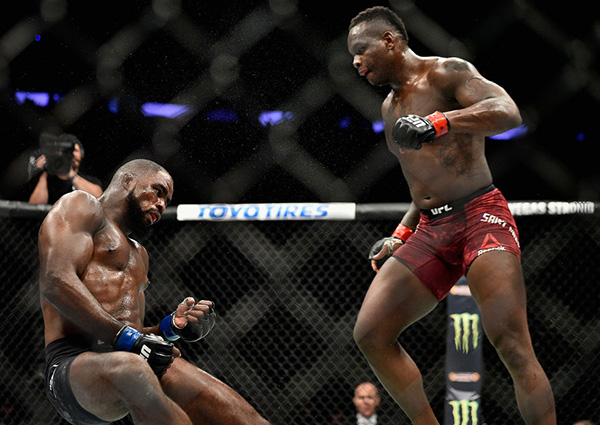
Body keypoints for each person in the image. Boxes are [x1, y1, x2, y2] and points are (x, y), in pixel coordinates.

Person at [347, 6, 555, 425]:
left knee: (512, 343)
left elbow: (508, 111)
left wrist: (440, 121)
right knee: (370, 333)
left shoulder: (447, 72)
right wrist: (400, 235)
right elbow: (424, 185)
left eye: (361, 49)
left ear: (390, 40)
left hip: (480, 215)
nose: (355, 61)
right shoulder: (389, 108)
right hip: (429, 228)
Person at [38, 158, 269, 425]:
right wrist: (128, 340)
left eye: (166, 201)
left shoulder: (140, 256)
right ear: (128, 181)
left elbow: (133, 333)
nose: (161, 204)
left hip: (129, 359)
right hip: (72, 365)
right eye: (158, 191)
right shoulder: (81, 206)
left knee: (243, 416)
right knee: (132, 369)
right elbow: (56, 281)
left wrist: (171, 328)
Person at [28, 133, 103, 204]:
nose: (72, 155)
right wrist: (45, 170)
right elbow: (35, 206)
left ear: (81, 154)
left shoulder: (90, 180)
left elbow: (99, 197)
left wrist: (70, 174)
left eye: (75, 150)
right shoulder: (46, 180)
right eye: (66, 152)